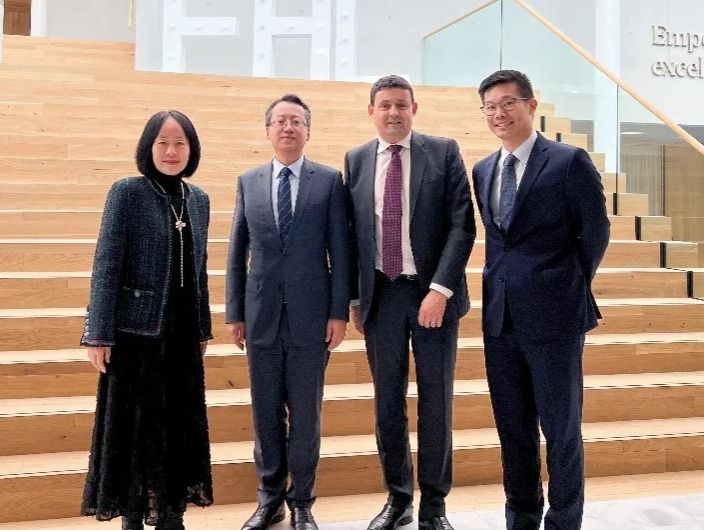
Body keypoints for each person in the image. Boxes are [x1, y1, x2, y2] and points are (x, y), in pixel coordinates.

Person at [472, 70, 610, 530]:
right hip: (501, 318)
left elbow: (595, 232)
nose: (499, 113)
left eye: (508, 103)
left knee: (561, 429)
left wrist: (564, 282)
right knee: (513, 430)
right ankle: (522, 519)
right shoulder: (483, 169)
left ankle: (564, 522)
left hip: (555, 315)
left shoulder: (568, 161)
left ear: (531, 106)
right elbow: (500, 242)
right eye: (490, 107)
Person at [345, 75, 476, 530]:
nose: (393, 112)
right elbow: (352, 234)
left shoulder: (443, 151)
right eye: (385, 105)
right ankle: (398, 498)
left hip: (432, 294)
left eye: (401, 104)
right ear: (371, 111)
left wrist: (440, 290)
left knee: (435, 401)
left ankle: (434, 506)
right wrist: (355, 297)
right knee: (387, 402)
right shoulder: (356, 160)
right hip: (381, 296)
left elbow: (463, 225)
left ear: (414, 109)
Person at [80, 110, 214, 530]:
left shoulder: (198, 199)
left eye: (180, 143)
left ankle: (172, 513)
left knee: (177, 426)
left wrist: (202, 327)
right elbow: (106, 264)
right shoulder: (127, 192)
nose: (172, 151)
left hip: (181, 335)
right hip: (135, 333)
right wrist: (98, 334)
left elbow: (199, 268)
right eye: (163, 143)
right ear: (148, 147)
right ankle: (134, 516)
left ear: (191, 150)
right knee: (135, 430)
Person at [225, 94, 351, 530]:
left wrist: (338, 312)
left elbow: (340, 252)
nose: (287, 127)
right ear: (268, 130)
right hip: (260, 316)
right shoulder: (249, 181)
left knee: (305, 415)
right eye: (280, 121)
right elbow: (237, 251)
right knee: (265, 413)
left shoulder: (329, 181)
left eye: (296, 121)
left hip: (312, 318)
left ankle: (302, 503)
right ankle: (270, 499)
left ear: (307, 131)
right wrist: (235, 313)